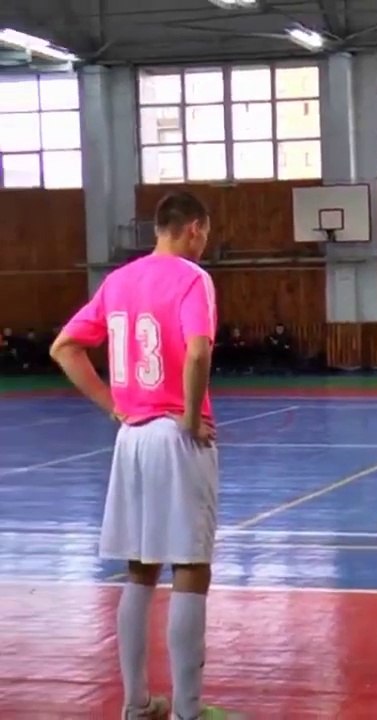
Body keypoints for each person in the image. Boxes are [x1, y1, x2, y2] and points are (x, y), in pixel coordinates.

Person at [48, 191, 231, 719]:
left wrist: (113, 405)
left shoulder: (118, 281)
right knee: (192, 565)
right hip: (176, 435)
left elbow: (65, 346)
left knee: (141, 569)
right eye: (205, 232)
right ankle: (187, 711)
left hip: (131, 439)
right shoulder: (194, 279)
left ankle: (135, 703)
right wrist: (193, 415)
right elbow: (198, 349)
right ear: (194, 228)